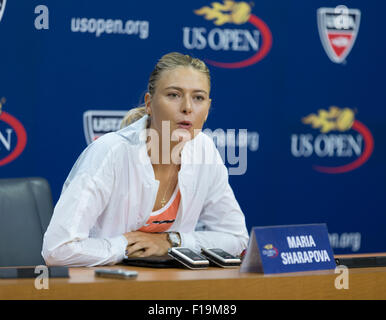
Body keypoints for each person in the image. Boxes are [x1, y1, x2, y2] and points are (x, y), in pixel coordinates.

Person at [42, 52, 249, 267]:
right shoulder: (110, 153)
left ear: (207, 110)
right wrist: (125, 246)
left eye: (198, 97)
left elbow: (236, 238)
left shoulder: (204, 150)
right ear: (149, 104)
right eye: (174, 95)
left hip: (171, 288)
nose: (187, 107)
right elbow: (57, 249)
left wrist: (172, 242)